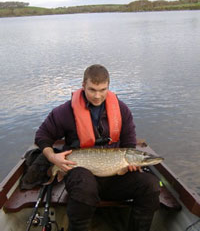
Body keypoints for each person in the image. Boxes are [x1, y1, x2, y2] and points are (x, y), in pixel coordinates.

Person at [35, 64, 160, 231]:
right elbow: (42, 136)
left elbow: (129, 143)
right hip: (80, 172)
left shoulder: (122, 109)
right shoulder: (65, 111)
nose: (97, 95)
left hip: (114, 175)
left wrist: (131, 164)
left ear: (108, 86)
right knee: (85, 189)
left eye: (103, 90)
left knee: (151, 186)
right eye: (92, 89)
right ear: (83, 85)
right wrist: (53, 157)